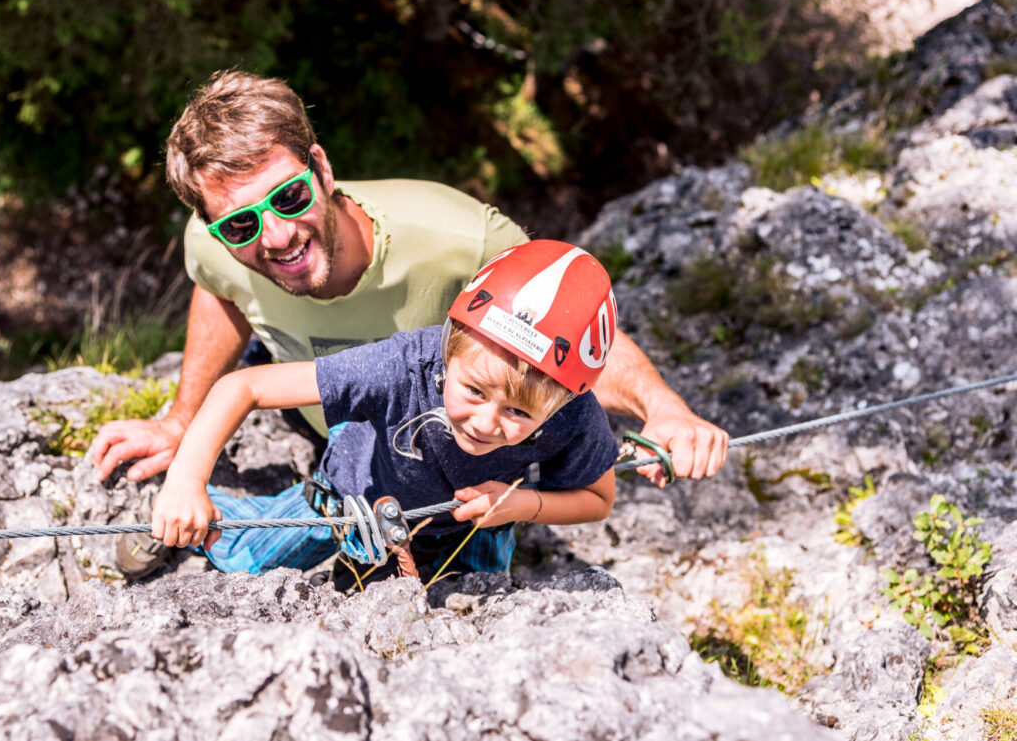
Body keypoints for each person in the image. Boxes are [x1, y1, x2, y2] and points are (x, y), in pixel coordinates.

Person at [89, 70, 727, 573]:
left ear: (322, 167)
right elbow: (221, 292)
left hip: (456, 472)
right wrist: (181, 423)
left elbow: (562, 332)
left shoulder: (460, 238)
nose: (276, 234)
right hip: (343, 443)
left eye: (288, 195)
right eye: (239, 224)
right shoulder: (210, 244)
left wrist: (660, 408)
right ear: (213, 227)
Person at [152, 241, 621, 586]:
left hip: (473, 524)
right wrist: (184, 484)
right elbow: (244, 385)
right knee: (245, 557)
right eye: (474, 391)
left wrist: (524, 506)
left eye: (518, 412)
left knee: (474, 611)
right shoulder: (401, 366)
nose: (484, 423)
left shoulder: (571, 412)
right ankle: (173, 518)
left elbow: (599, 499)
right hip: (352, 500)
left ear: (562, 401)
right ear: (447, 346)